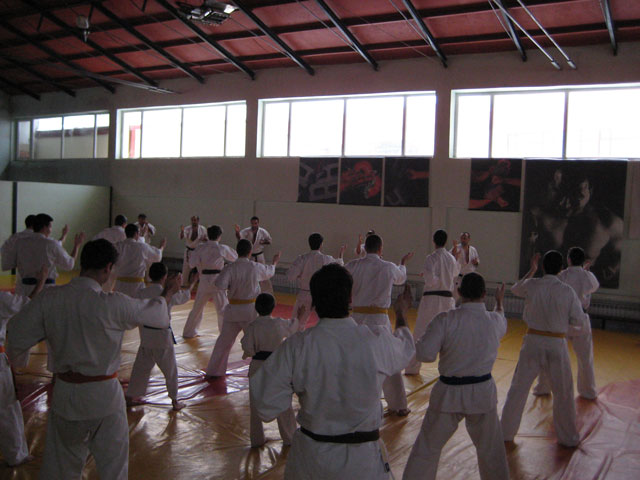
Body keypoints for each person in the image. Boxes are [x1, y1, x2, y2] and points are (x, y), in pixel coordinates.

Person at [6, 239, 180, 479]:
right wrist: (167, 292)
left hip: (65, 393)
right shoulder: (113, 303)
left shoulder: (50, 298)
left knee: (62, 467)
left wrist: (20, 361)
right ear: (108, 268)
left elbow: (15, 334)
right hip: (104, 396)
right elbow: (158, 315)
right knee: (113, 468)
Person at [250, 264, 415, 480]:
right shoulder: (375, 340)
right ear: (350, 299)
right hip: (363, 462)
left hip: (311, 460)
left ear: (314, 302)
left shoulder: (297, 347)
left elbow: (265, 405)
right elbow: (406, 349)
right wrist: (401, 314)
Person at [402, 274, 509, 480]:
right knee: (492, 451)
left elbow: (425, 354)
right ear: (484, 294)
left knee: (427, 448)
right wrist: (499, 302)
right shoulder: (494, 321)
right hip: (482, 394)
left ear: (458, 292)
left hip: (448, 395)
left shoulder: (445, 320)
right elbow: (500, 317)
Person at [501, 251, 587, 447]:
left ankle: (506, 432)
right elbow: (579, 321)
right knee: (563, 392)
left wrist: (531, 271)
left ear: (542, 267)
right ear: (561, 269)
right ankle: (568, 437)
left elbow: (515, 289)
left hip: (533, 341)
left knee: (518, 388)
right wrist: (563, 326)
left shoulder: (532, 285)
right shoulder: (567, 291)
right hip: (556, 343)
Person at [345, 234, 413, 416]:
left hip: (356, 319)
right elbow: (401, 278)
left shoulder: (353, 266)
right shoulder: (388, 267)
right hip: (379, 319)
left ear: (365, 248)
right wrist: (403, 263)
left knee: (353, 359)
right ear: (380, 249)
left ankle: (350, 400)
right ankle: (399, 405)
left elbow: (342, 279)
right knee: (389, 359)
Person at [205, 239, 279, 378]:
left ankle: (214, 372)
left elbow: (220, 285)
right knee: (257, 342)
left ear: (237, 251)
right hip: (250, 310)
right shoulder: (254, 266)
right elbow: (269, 272)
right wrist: (274, 263)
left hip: (233, 310)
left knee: (223, 343)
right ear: (250, 252)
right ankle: (263, 371)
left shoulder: (230, 268)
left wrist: (232, 285)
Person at [126, 263, 196, 411]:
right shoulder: (166, 292)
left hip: (145, 335)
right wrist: (191, 283)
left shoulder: (142, 292)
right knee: (170, 370)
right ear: (165, 277)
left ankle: (130, 396)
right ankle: (175, 400)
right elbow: (184, 297)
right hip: (162, 337)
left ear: (150, 275)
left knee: (140, 368)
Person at [533, 246, 600, 399]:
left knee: (550, 354)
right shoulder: (588, 276)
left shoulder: (561, 276)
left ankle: (543, 387)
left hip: (560, 319)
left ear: (568, 260)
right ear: (583, 261)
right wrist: (585, 271)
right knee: (585, 358)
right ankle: (588, 391)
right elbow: (593, 286)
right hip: (580, 319)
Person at [0, 264, 48, 468]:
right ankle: (16, 455)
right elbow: (27, 304)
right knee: (7, 407)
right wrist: (41, 281)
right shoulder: (2, 300)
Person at [241, 293, 298, 447]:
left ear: (256, 308)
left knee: (255, 403)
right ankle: (289, 437)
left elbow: (247, 347)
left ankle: (257, 439)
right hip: (275, 365)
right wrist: (299, 316)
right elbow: (293, 328)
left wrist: (253, 352)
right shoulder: (278, 323)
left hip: (257, 365)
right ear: (273, 307)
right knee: (282, 400)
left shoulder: (252, 327)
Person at [405, 229, 459, 375]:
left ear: (434, 241)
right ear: (445, 242)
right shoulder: (452, 258)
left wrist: (434, 278)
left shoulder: (431, 258)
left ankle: (412, 368)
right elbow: (454, 274)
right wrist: (442, 278)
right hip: (448, 300)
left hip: (432, 299)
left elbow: (430, 280)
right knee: (449, 335)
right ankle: (451, 369)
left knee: (420, 333)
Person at [183, 225, 238, 337]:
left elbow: (192, 264)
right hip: (218, 280)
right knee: (222, 309)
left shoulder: (200, 248)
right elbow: (236, 257)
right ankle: (225, 334)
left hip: (204, 279)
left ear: (207, 235)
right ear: (219, 236)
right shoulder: (222, 248)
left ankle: (189, 332)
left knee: (197, 308)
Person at [14, 213, 84, 297]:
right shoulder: (50, 244)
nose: (51, 229)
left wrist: (64, 235)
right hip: (45, 290)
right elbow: (69, 265)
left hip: (23, 289)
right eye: (50, 227)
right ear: (45, 227)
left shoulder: (21, 243)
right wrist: (77, 246)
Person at [286, 233, 345, 330]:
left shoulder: (302, 258)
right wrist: (341, 254)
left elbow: (290, 276)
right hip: (321, 295)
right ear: (321, 244)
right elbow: (339, 265)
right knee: (326, 323)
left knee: (297, 323)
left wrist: (300, 275)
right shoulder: (326, 259)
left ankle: (296, 339)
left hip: (305, 294)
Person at [113, 223, 165, 297]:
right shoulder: (142, 247)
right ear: (136, 234)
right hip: (136, 286)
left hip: (119, 285)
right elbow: (157, 256)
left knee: (119, 303)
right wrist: (162, 247)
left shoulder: (117, 246)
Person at [235, 216, 273, 293]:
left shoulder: (263, 231)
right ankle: (248, 290)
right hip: (250, 255)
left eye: (255, 223)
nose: (254, 225)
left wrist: (263, 242)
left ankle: (267, 292)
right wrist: (237, 232)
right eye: (252, 223)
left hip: (259, 255)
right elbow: (240, 238)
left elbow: (270, 241)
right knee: (248, 273)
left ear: (258, 223)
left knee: (263, 273)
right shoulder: (246, 231)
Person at [93, 214, 128, 292]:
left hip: (101, 259)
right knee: (110, 283)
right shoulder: (124, 233)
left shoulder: (105, 231)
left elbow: (94, 241)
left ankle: (100, 292)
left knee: (103, 280)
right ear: (124, 224)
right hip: (115, 260)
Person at [451, 231, 479, 301]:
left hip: (469, 277)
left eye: (465, 238)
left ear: (469, 239)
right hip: (459, 277)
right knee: (454, 297)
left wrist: (476, 262)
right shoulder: (456, 248)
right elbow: (450, 258)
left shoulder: (473, 250)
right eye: (462, 238)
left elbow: (477, 263)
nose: (463, 240)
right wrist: (455, 252)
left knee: (470, 297)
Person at [179, 215, 207, 281]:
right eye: (192, 220)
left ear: (198, 221)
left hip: (198, 251)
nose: (193, 222)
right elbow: (181, 237)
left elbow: (206, 240)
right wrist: (182, 231)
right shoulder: (187, 228)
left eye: (195, 220)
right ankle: (183, 283)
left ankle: (202, 282)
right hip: (189, 251)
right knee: (186, 268)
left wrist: (204, 239)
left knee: (200, 268)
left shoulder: (202, 229)